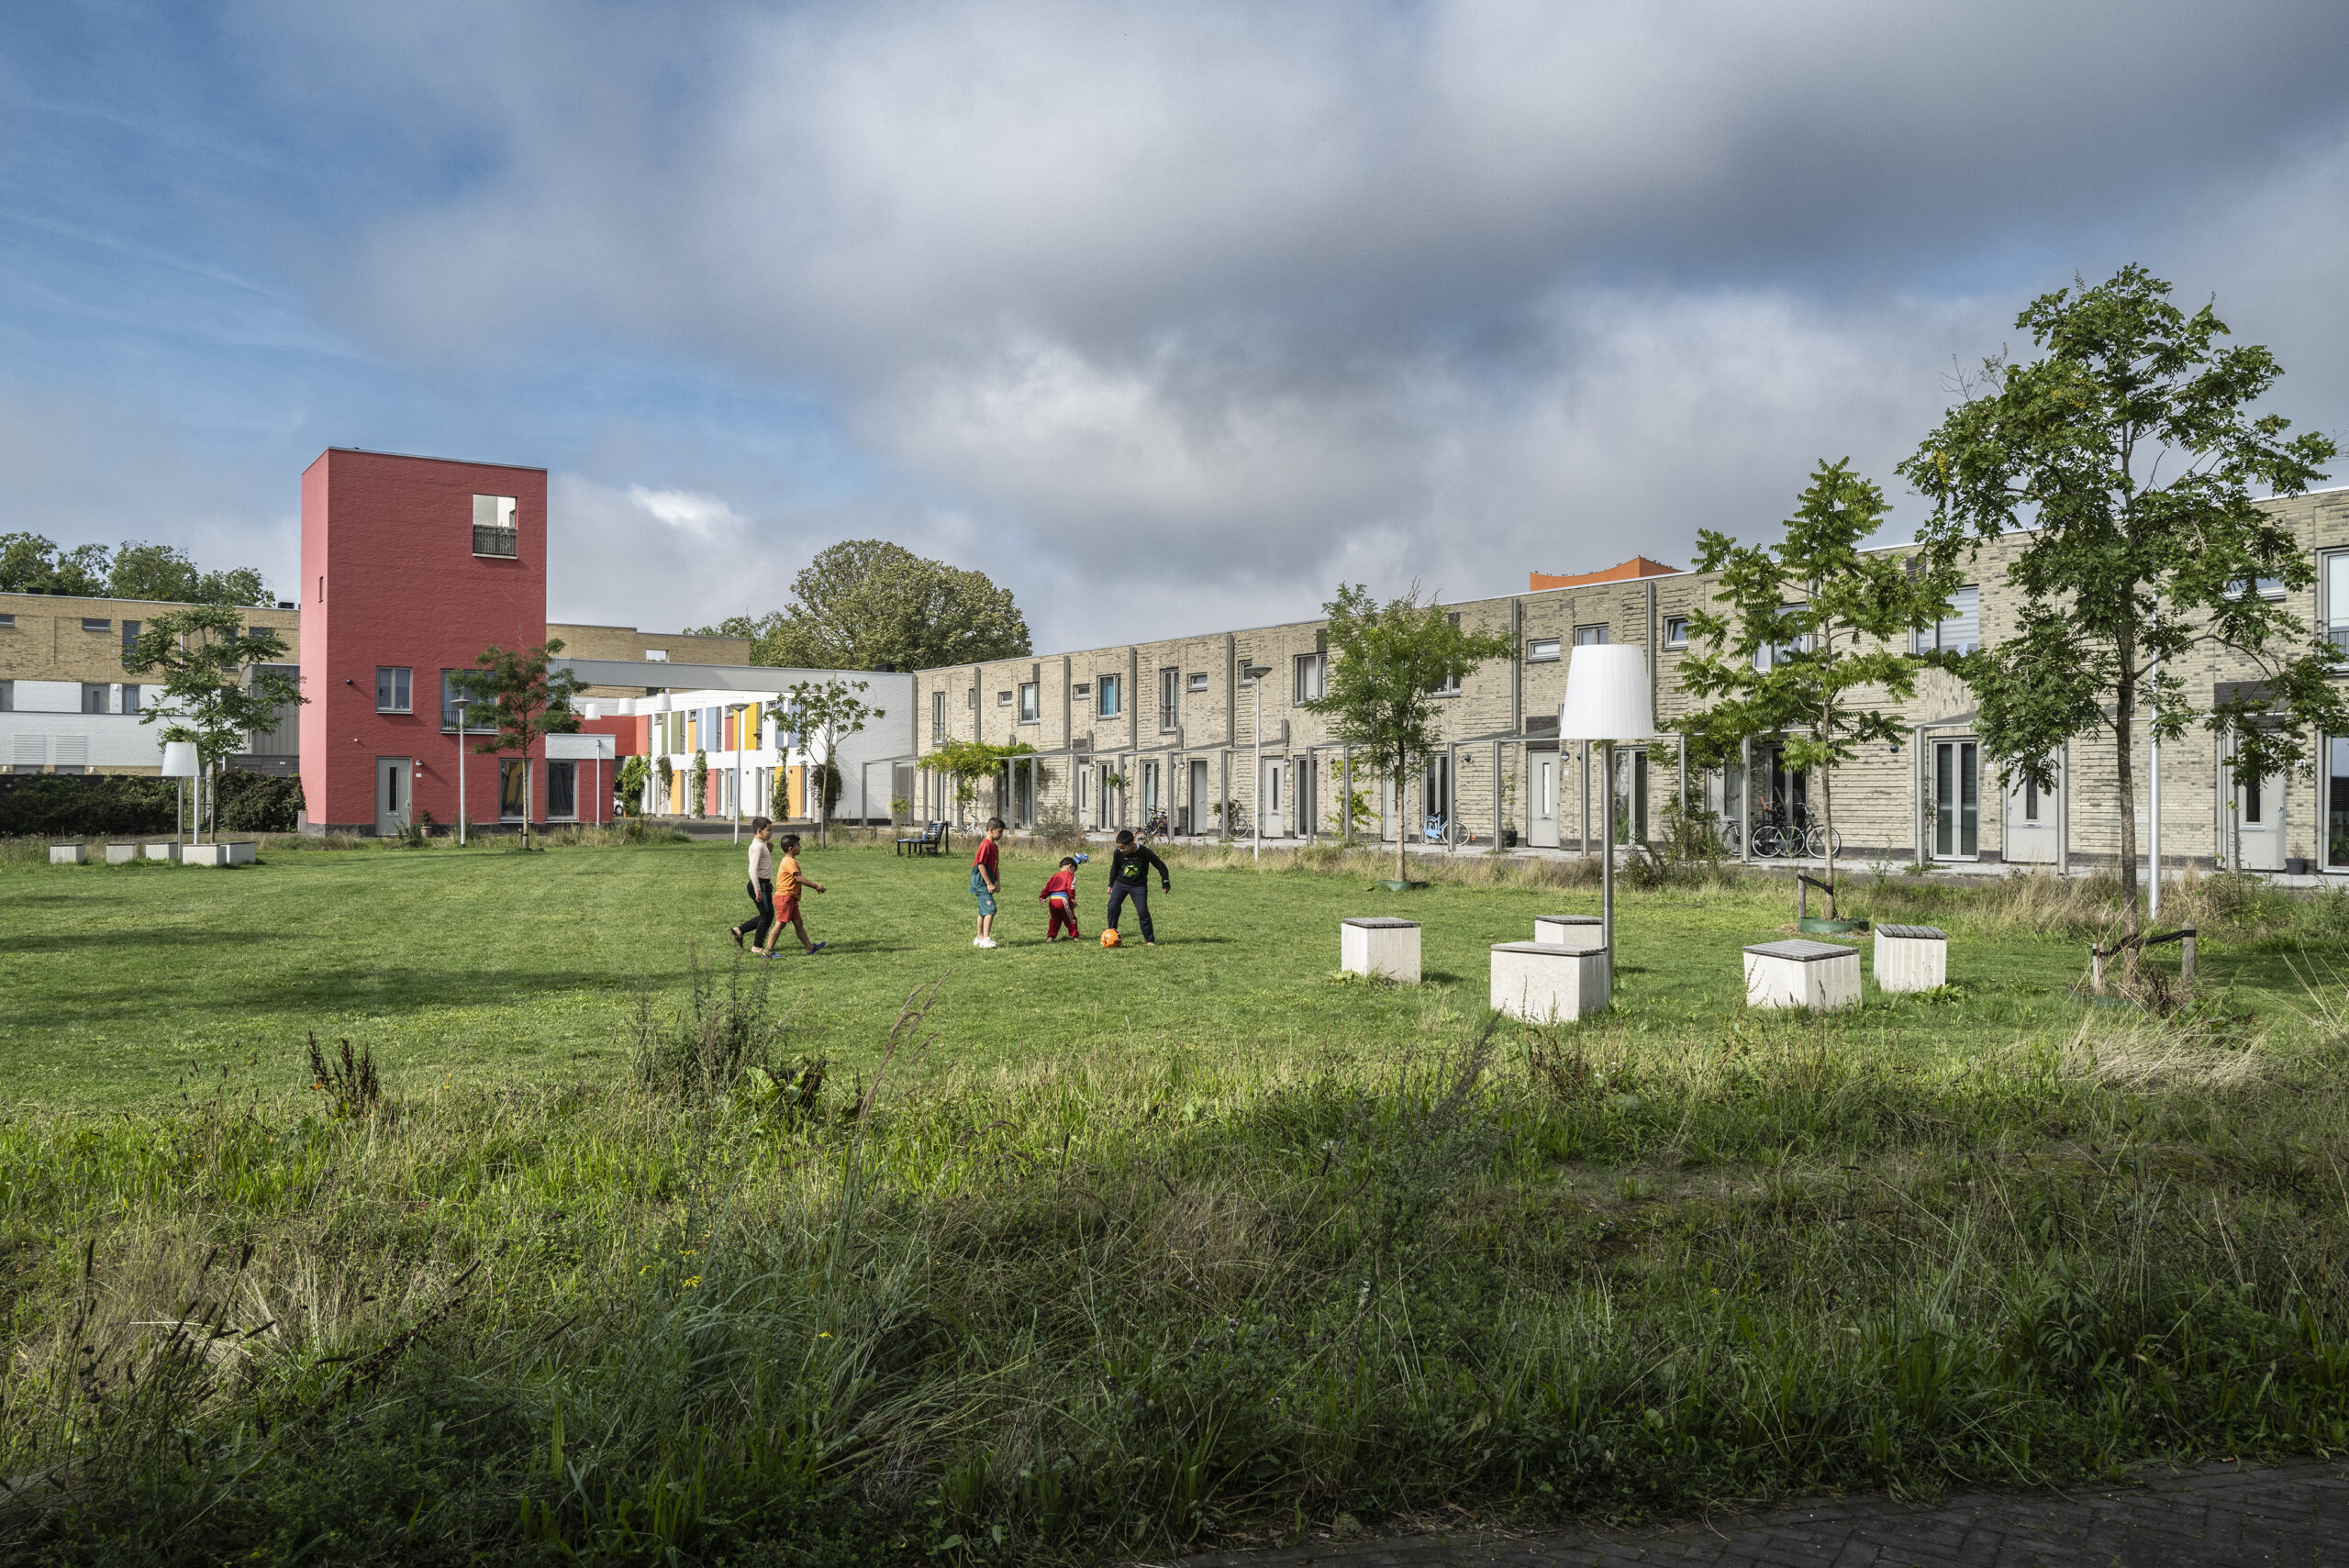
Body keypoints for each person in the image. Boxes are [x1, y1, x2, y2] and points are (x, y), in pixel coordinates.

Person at [757, 832, 827, 957]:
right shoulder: (789, 861)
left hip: (791, 898)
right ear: (791, 848)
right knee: (780, 923)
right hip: (785, 898)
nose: (800, 847)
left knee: (798, 923)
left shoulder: (789, 860)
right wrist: (816, 886)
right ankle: (767, 951)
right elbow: (799, 879)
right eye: (798, 845)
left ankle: (809, 948)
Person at [1103, 828, 1171, 946]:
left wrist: (1165, 881)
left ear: (1132, 843)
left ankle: (1150, 940)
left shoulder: (1144, 852)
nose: (1121, 850)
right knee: (1112, 908)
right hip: (1120, 884)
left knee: (1143, 912)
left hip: (1138, 886)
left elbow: (1160, 865)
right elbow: (1114, 869)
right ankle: (1112, 935)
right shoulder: (1118, 853)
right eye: (1119, 847)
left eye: (1123, 847)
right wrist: (1111, 884)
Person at [731, 817, 774, 951]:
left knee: (766, 915)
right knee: (767, 916)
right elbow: (752, 869)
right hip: (760, 884)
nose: (771, 833)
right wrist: (758, 889)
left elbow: (763, 865)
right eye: (769, 830)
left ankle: (739, 930)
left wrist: (770, 851)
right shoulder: (757, 846)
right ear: (760, 831)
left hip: (763, 884)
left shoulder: (761, 845)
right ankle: (757, 946)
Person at [971, 816, 1005, 948]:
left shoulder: (994, 846)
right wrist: (989, 883)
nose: (1001, 835)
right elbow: (981, 865)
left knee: (983, 910)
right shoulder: (985, 845)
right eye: (1000, 832)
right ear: (991, 830)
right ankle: (985, 939)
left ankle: (979, 937)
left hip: (988, 881)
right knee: (990, 908)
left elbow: (996, 866)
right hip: (981, 882)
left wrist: (998, 882)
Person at [1040, 854, 1083, 941]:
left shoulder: (1053, 876)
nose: (1073, 873)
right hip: (1063, 900)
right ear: (1070, 867)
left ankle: (1050, 937)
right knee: (1071, 918)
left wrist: (1042, 897)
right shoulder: (1070, 875)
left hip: (1052, 901)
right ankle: (1075, 937)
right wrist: (1072, 899)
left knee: (1054, 919)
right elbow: (1071, 887)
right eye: (1073, 870)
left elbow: (1046, 888)